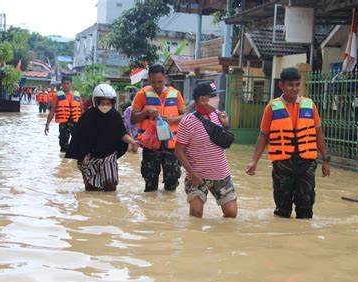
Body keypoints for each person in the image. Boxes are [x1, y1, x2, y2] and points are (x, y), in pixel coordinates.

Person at [246, 67, 330, 219]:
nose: (294, 88)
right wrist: (254, 161)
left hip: (306, 162)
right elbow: (263, 136)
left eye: (297, 84)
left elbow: (318, 133)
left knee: (306, 205)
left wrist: (325, 159)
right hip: (283, 163)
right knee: (282, 207)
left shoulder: (310, 106)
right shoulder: (272, 107)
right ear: (281, 86)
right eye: (290, 85)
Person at [175, 81, 237, 218]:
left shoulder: (219, 115)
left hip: (221, 174)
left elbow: (226, 141)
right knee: (196, 215)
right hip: (197, 175)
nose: (217, 99)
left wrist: (226, 125)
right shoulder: (187, 122)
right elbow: (178, 150)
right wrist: (192, 174)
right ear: (203, 99)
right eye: (213, 96)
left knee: (231, 214)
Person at [66, 84, 138, 191]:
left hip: (108, 156)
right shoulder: (88, 116)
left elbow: (121, 134)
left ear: (112, 103)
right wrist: (82, 156)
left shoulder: (115, 116)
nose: (105, 106)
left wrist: (133, 142)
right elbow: (79, 137)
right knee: (91, 188)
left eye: (108, 103)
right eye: (102, 103)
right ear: (96, 102)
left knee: (110, 185)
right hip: (90, 157)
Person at [131, 64, 186, 192]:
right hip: (150, 145)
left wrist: (173, 120)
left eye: (160, 82)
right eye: (153, 82)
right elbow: (132, 119)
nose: (157, 85)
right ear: (149, 79)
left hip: (171, 145)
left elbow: (186, 115)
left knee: (172, 183)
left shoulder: (176, 94)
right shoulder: (142, 94)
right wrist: (146, 112)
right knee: (150, 184)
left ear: (165, 78)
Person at [44, 76, 83, 152]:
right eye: (64, 83)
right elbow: (52, 111)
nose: (65, 85)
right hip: (64, 123)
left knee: (77, 144)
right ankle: (63, 162)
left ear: (70, 84)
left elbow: (82, 110)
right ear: (61, 84)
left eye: (67, 83)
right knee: (63, 146)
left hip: (76, 123)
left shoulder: (77, 95)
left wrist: (85, 124)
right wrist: (47, 124)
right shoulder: (57, 96)